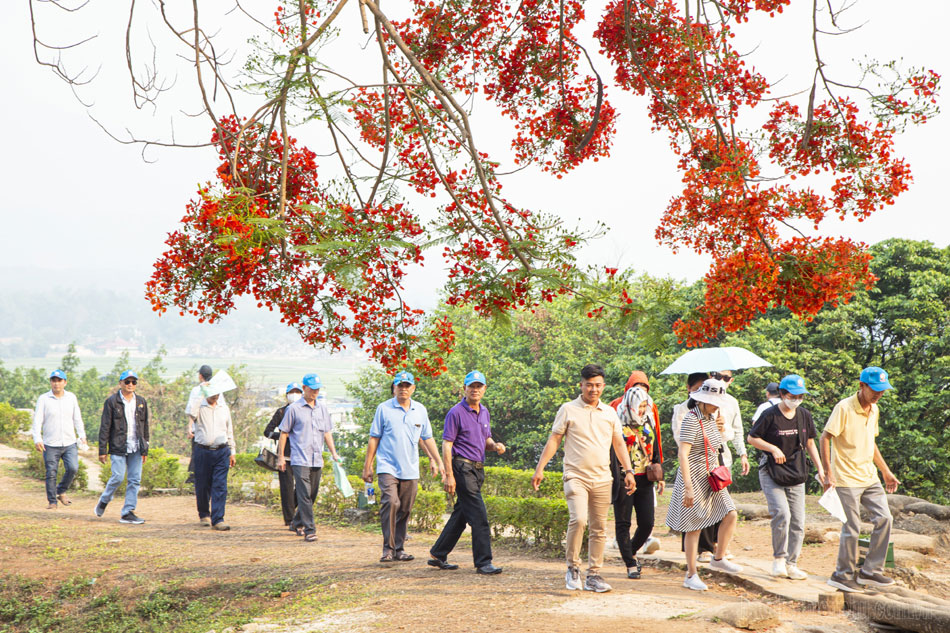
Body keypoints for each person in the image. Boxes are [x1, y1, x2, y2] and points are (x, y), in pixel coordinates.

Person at [532, 364, 636, 593]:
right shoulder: (568, 409)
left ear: (603, 386)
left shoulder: (609, 412)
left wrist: (628, 471)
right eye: (589, 385)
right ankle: (573, 568)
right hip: (575, 476)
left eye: (598, 385)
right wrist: (540, 468)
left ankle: (594, 575)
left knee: (599, 528)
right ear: (581, 385)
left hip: (602, 477)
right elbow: (554, 440)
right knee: (578, 520)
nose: (593, 389)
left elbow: (619, 444)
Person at [821, 367, 900, 592]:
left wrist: (885, 470)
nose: (878, 394)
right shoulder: (844, 408)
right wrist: (828, 472)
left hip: (869, 476)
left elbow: (870, 442)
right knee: (852, 527)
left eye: (882, 391)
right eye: (874, 389)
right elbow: (825, 437)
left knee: (885, 518)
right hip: (845, 478)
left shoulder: (874, 409)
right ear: (862, 385)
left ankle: (870, 572)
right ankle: (841, 574)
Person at [666, 378, 743, 591]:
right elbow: (683, 452)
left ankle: (718, 558)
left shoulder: (711, 418)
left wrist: (719, 428)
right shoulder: (691, 419)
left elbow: (720, 443)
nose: (716, 405)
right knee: (694, 525)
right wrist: (688, 486)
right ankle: (691, 574)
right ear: (701, 399)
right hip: (694, 474)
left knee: (730, 513)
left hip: (712, 475)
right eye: (712, 401)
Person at [362, 371, 446, 562]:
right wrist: (368, 466)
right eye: (400, 386)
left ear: (413, 389)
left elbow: (427, 438)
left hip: (410, 468)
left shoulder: (420, 410)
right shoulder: (383, 409)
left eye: (407, 386)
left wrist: (438, 461)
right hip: (387, 467)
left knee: (405, 508)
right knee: (391, 502)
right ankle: (388, 549)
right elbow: (374, 438)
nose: (403, 389)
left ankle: (399, 549)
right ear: (394, 388)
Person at [747, 375, 824, 580]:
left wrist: (821, 468)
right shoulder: (769, 414)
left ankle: (792, 563)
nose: (796, 400)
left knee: (798, 521)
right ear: (782, 394)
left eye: (800, 396)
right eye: (792, 396)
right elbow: (752, 438)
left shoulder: (804, 415)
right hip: (772, 471)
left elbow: (809, 443)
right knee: (782, 514)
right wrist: (772, 449)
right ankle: (779, 559)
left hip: (796, 471)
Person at [429, 371, 506, 575]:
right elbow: (447, 445)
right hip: (462, 468)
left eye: (479, 386)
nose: (475, 390)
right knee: (479, 516)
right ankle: (483, 562)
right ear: (464, 388)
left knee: (461, 515)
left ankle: (438, 553)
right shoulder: (455, 413)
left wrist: (496, 446)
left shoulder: (484, 412)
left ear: (484, 389)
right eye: (471, 386)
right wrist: (449, 475)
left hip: (478, 468)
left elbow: (485, 441)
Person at [608, 371, 665, 579]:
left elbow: (655, 443)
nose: (642, 409)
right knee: (623, 522)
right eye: (639, 405)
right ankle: (631, 564)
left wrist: (660, 473)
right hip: (623, 477)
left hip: (644, 477)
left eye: (644, 404)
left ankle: (630, 550)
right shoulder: (615, 415)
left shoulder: (649, 415)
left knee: (648, 522)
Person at [277, 374, 340, 543]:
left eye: (317, 390)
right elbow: (284, 433)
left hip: (316, 458)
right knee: (304, 494)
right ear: (304, 388)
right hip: (299, 459)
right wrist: (281, 457)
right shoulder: (293, 409)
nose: (315, 393)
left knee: (312, 494)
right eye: (312, 389)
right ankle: (309, 529)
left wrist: (334, 453)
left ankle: (296, 522)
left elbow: (327, 432)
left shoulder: (322, 409)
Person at [95, 370, 150, 524]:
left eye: (133, 382)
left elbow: (145, 425)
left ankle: (128, 512)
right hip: (118, 445)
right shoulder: (112, 402)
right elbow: (105, 426)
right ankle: (105, 499)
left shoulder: (141, 401)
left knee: (135, 480)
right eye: (127, 382)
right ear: (120, 383)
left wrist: (145, 448)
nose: (130, 385)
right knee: (118, 477)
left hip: (136, 447)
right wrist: (102, 450)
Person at [31, 369, 87, 510]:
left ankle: (60, 491)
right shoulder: (43, 399)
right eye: (54, 380)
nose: (56, 384)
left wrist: (82, 435)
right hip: (50, 443)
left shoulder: (71, 398)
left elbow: (77, 418)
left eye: (59, 381)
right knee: (51, 472)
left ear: (65, 382)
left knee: (73, 468)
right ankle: (52, 502)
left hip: (69, 442)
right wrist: (37, 438)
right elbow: (37, 420)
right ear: (50, 382)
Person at [191, 382, 236, 531]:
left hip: (222, 451)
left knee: (220, 485)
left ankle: (218, 519)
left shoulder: (224, 409)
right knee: (202, 484)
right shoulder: (199, 408)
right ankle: (204, 514)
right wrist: (200, 393)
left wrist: (232, 451)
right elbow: (191, 412)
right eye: (212, 392)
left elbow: (229, 430)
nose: (215, 395)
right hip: (203, 450)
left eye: (218, 392)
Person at [264, 382, 303, 527]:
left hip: (301, 456)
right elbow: (267, 431)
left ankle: (294, 511)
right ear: (287, 395)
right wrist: (281, 436)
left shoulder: (303, 411)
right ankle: (289, 519)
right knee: (286, 489)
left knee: (302, 488)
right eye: (292, 392)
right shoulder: (281, 412)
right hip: (284, 456)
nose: (294, 394)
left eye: (297, 391)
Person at [185, 365, 227, 484]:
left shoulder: (196, 390)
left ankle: (194, 479)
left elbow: (192, 410)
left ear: (200, 376)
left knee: (198, 454)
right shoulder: (218, 390)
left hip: (199, 429)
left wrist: (190, 427)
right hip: (215, 429)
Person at [711, 369, 751, 477]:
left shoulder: (732, 402)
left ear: (731, 380)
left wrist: (743, 454)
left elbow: (737, 430)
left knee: (724, 492)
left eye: (726, 378)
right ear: (711, 377)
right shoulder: (700, 401)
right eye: (718, 376)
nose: (721, 380)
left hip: (724, 457)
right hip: (702, 458)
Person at [671, 372, 709, 446]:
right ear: (689, 388)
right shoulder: (682, 410)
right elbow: (680, 438)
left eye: (704, 389)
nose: (700, 393)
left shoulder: (713, 408)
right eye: (697, 389)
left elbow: (725, 436)